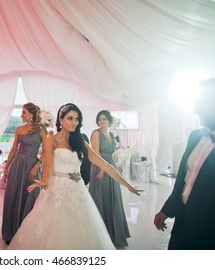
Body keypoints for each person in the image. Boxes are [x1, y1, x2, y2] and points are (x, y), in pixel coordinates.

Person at [9, 103, 142, 249]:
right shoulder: (51, 140)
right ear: (61, 120)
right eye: (70, 118)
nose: (74, 122)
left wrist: (128, 185)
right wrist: (44, 181)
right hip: (56, 190)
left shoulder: (81, 143)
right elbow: (48, 164)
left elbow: (104, 164)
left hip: (78, 191)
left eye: (77, 119)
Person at [154, 77, 215, 250]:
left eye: (201, 104)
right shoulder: (195, 136)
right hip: (182, 224)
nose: (195, 110)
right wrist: (167, 210)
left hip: (213, 233)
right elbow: (184, 180)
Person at [1, 102, 47, 245]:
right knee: (13, 197)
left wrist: (37, 166)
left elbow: (46, 152)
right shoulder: (19, 129)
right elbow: (14, 149)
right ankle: (11, 233)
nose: (21, 115)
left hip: (32, 167)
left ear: (32, 114)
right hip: (18, 165)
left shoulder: (41, 130)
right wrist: (6, 168)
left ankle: (27, 234)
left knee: (31, 199)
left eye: (24, 112)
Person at [88, 110, 130, 247]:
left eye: (104, 119)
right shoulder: (96, 133)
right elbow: (95, 153)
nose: (101, 121)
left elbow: (113, 152)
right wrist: (101, 168)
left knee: (114, 197)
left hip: (110, 167)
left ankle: (115, 233)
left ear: (109, 121)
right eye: (99, 119)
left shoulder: (111, 134)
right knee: (102, 198)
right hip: (100, 167)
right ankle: (101, 235)